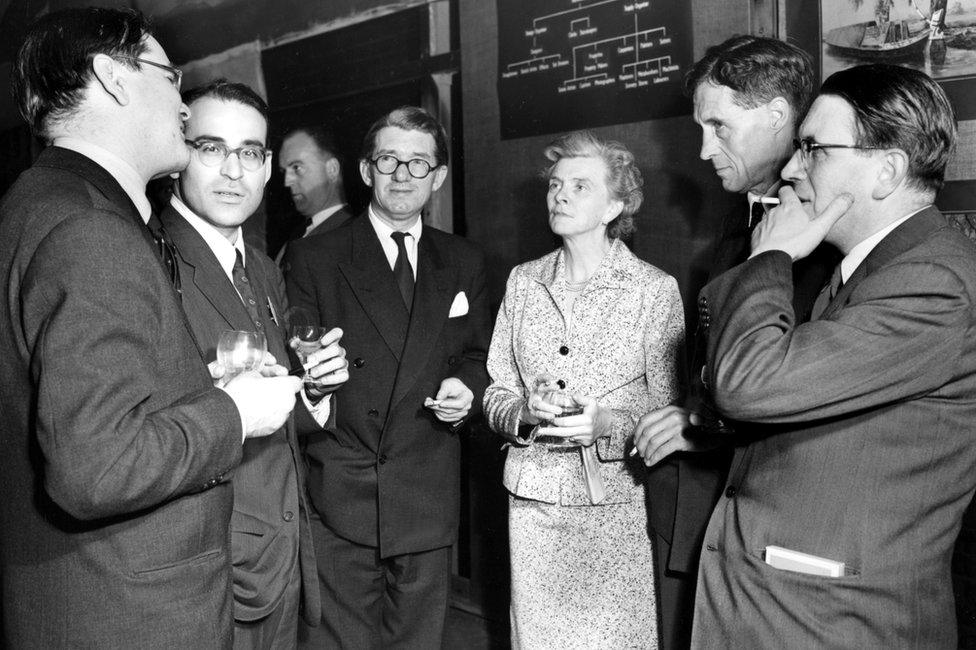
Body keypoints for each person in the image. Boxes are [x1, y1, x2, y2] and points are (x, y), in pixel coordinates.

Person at [0, 8, 301, 648]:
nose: (184, 108)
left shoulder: (40, 202)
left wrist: (195, 385)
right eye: (170, 78)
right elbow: (95, 470)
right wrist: (233, 412)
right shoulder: (90, 230)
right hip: (132, 613)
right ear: (112, 77)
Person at [691, 63, 976, 646]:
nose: (792, 169)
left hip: (836, 620)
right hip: (790, 606)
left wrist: (766, 259)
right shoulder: (873, 266)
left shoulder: (934, 281)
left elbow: (750, 383)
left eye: (813, 149)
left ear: (888, 170)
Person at [631, 35, 836, 648]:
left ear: (778, 116)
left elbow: (801, 386)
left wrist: (708, 426)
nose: (702, 149)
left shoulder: (834, 241)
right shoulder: (731, 234)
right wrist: (694, 411)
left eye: (718, 125)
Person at [285, 105, 491, 648]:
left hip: (426, 490)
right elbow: (296, 365)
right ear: (365, 170)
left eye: (418, 163)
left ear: (438, 177)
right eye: (389, 160)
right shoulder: (314, 258)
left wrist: (467, 389)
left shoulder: (465, 260)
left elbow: (479, 354)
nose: (403, 175)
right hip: (344, 495)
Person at [159, 79, 351, 649]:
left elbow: (269, 405)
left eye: (249, 153)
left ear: (268, 167)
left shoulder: (263, 267)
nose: (233, 171)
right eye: (211, 148)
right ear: (178, 154)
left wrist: (310, 387)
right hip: (210, 575)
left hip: (279, 562)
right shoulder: (146, 257)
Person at [483, 130, 684, 648]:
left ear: (615, 204)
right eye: (555, 184)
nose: (561, 195)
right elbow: (496, 390)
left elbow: (670, 414)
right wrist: (525, 411)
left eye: (579, 185)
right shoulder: (523, 282)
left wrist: (606, 424)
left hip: (614, 508)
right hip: (532, 505)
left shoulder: (653, 290)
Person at [275, 126, 354, 264]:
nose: (287, 182)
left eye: (297, 167)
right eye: (284, 171)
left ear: (332, 169)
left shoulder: (351, 235)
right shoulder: (298, 234)